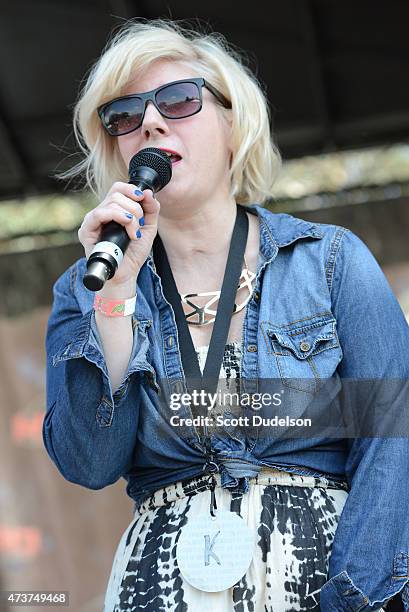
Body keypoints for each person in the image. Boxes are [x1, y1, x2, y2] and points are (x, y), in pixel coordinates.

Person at [43, 19, 409, 612]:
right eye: (124, 116)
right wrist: (117, 297)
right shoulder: (89, 285)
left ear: (234, 124)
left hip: (329, 585)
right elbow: (89, 462)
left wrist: (354, 600)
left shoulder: (330, 262)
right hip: (159, 590)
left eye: (179, 100)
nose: (151, 123)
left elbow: (396, 437)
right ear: (114, 148)